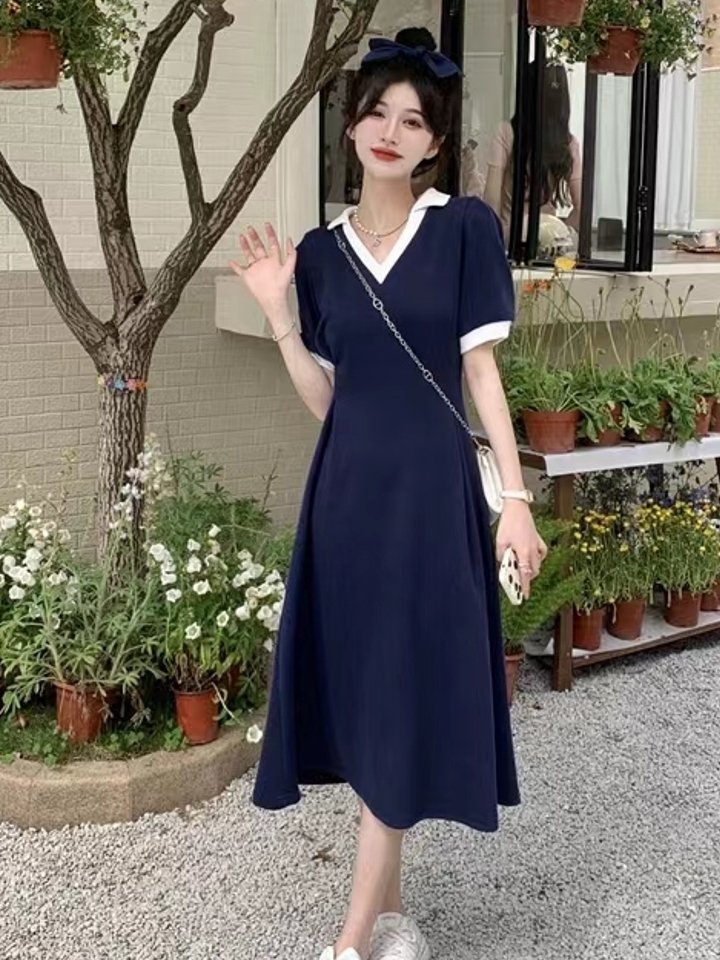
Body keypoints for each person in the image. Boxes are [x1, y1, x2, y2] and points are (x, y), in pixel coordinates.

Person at [230, 35, 546, 960]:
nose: (389, 131)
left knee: (402, 692)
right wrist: (281, 316)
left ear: (434, 143)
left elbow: (480, 375)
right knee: (374, 697)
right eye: (376, 112)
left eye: (412, 120)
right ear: (351, 126)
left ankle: (350, 942)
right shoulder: (321, 256)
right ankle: (395, 919)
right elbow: (330, 402)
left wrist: (515, 499)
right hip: (347, 504)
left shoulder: (463, 230)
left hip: (430, 504)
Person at [484, 62, 582, 245]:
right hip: (548, 239)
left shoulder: (507, 133)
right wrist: (562, 232)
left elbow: (491, 203)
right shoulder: (568, 143)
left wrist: (495, 240)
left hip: (510, 238)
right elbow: (582, 207)